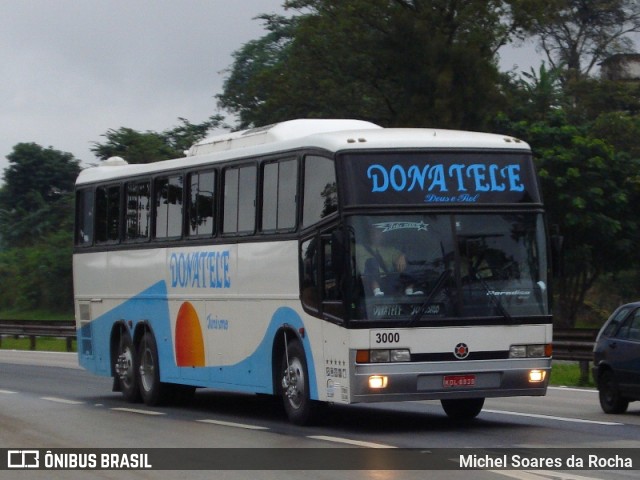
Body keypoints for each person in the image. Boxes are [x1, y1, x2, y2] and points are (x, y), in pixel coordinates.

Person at [355, 225, 422, 296]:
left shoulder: (390, 250)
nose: (376, 235)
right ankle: (376, 290)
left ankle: (409, 290)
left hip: (387, 280)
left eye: (379, 233)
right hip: (366, 282)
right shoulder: (358, 247)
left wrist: (403, 256)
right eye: (374, 233)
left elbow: (402, 257)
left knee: (410, 261)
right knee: (371, 261)